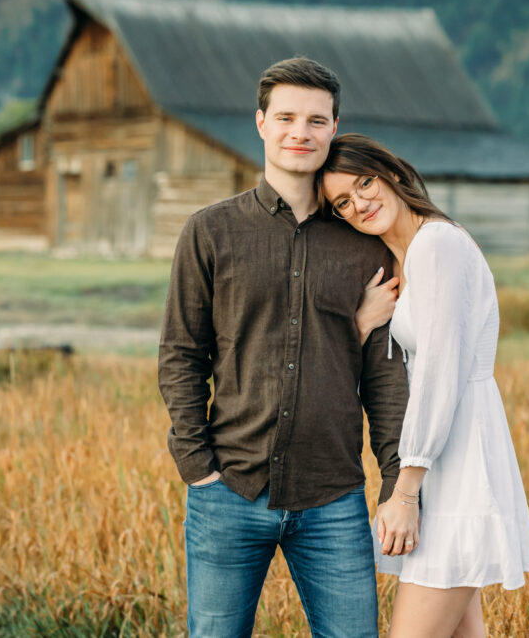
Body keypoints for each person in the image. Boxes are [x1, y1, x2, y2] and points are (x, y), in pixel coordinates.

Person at [158, 59, 409, 637]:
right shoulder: (211, 231)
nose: (301, 131)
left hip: (333, 498)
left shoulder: (362, 244)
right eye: (288, 117)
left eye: (316, 120)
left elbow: (386, 378)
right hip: (228, 492)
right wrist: (197, 467)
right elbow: (181, 354)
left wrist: (395, 484)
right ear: (262, 124)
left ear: (334, 128)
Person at [319, 133, 529, 638]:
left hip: (456, 460)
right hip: (442, 461)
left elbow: (441, 373)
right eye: (344, 203)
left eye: (366, 182)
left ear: (392, 173)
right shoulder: (409, 256)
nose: (361, 203)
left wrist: (405, 492)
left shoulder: (438, 245)